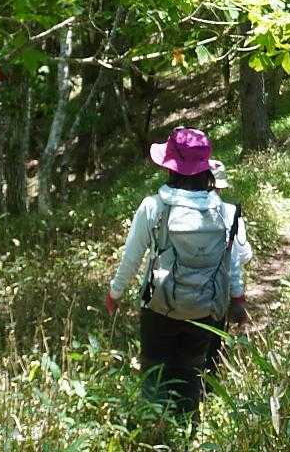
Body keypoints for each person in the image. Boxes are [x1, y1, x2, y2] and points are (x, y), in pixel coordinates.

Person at [105, 127, 252, 418]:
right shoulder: (225, 212)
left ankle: (154, 428)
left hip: (159, 307)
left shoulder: (153, 207)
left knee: (154, 374)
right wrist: (237, 298)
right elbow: (232, 264)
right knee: (191, 374)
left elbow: (131, 259)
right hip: (206, 310)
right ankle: (188, 427)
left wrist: (115, 293)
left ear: (170, 167)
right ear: (206, 168)